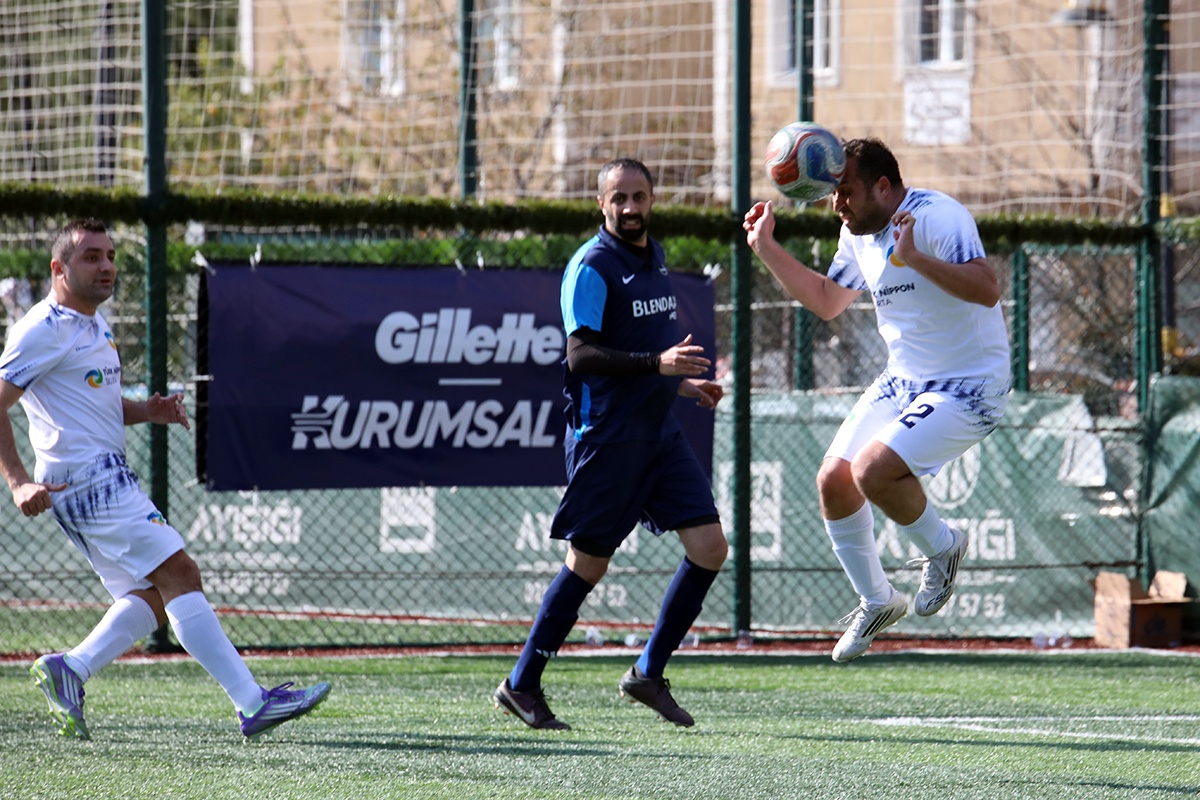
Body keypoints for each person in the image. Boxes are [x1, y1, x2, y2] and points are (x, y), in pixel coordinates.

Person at [0, 219, 331, 740]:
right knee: (181, 573)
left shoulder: (92, 324)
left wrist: (145, 411)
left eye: (111, 256)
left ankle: (71, 669)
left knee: (155, 595)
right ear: (58, 269)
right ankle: (252, 703)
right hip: (88, 480)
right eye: (91, 257)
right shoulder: (43, 327)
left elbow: (89, 404)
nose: (107, 266)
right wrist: (17, 481)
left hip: (94, 478)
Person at [743, 138, 1010, 662]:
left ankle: (944, 547)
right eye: (832, 193)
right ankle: (878, 599)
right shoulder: (855, 232)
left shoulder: (937, 216)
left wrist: (914, 258)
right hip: (903, 380)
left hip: (970, 384)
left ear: (883, 187)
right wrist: (765, 247)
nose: (836, 204)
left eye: (845, 191)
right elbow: (827, 301)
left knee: (872, 471)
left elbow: (987, 289)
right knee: (833, 481)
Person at [493, 158, 728, 729]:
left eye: (638, 196)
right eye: (618, 198)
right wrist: (658, 364)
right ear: (601, 204)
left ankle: (647, 673)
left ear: (652, 199)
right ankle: (522, 685)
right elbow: (581, 356)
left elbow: (645, 352)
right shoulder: (592, 266)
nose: (629, 207)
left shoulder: (655, 257)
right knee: (588, 565)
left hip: (658, 432)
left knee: (710, 548)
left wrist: (683, 384)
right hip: (609, 438)